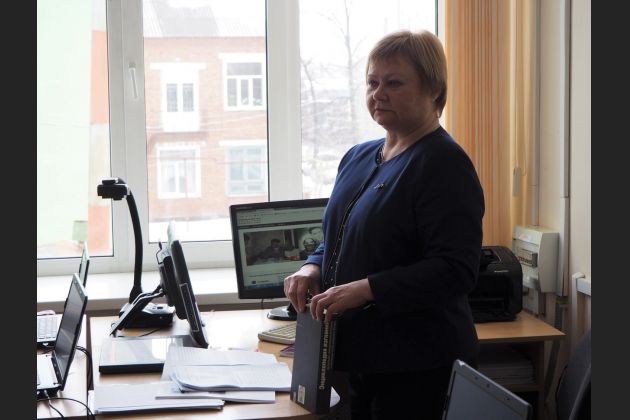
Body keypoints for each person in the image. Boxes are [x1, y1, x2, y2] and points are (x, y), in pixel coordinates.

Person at [283, 30, 485, 420]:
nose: (378, 94)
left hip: (418, 367)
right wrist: (312, 266)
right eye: (372, 83)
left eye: (393, 83)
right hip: (359, 360)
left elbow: (456, 270)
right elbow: (339, 237)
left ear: (433, 90)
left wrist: (365, 289)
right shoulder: (358, 157)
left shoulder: (444, 164)